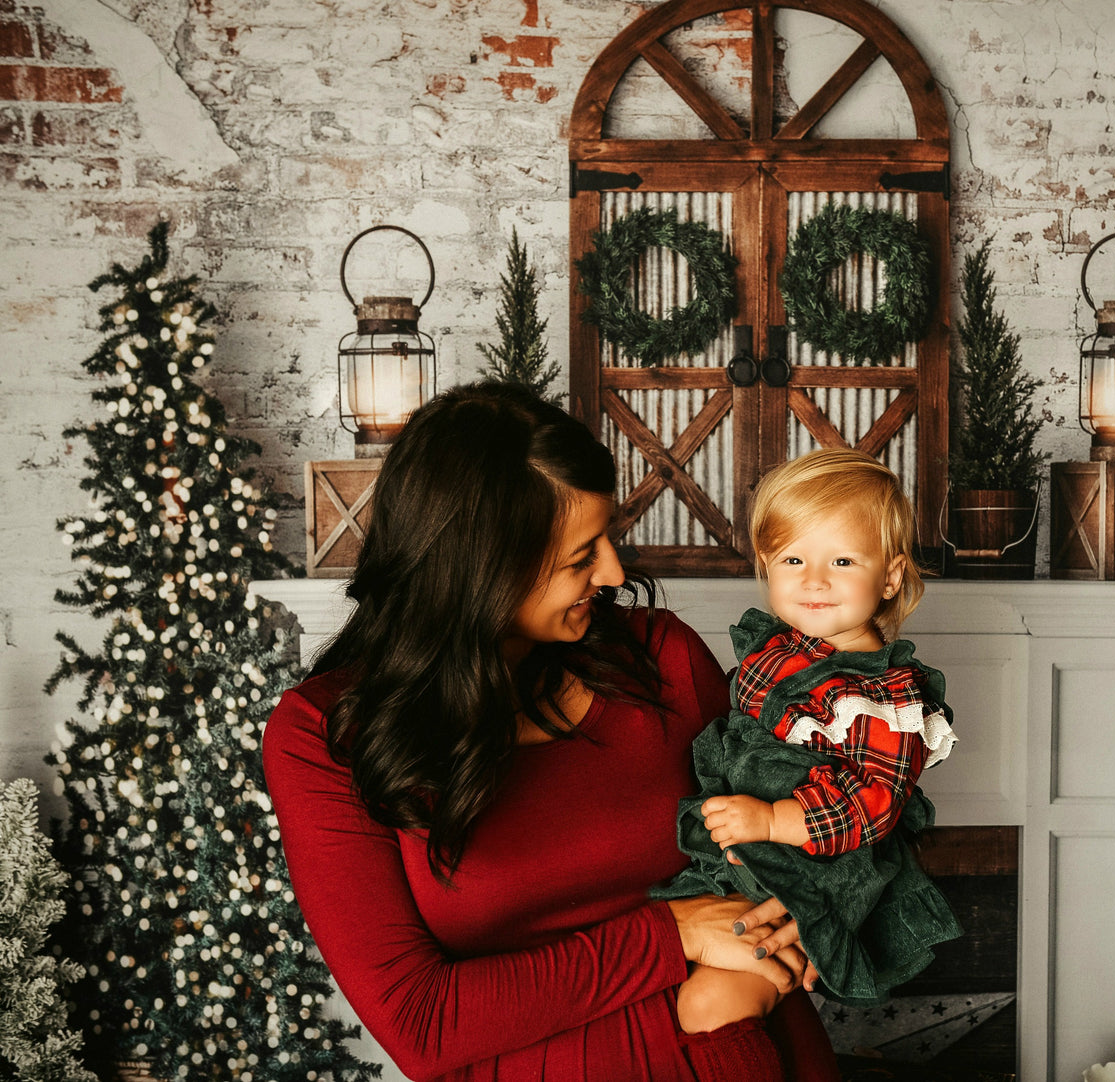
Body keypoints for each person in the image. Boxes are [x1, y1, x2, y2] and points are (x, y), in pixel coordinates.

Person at [262, 383, 839, 1082]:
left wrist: (802, 911)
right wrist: (673, 933)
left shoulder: (662, 659)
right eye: (579, 557)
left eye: (608, 538)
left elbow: (791, 851)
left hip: (747, 1055)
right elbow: (421, 1023)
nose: (614, 572)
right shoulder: (326, 735)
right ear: (480, 568)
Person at [656, 447, 962, 1032]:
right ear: (767, 564)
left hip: (811, 869)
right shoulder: (780, 649)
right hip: (732, 849)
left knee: (706, 1009)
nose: (814, 580)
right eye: (793, 558)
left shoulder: (886, 698)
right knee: (644, 971)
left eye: (843, 561)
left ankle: (762, 1008)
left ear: (891, 576)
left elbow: (873, 803)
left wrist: (772, 820)